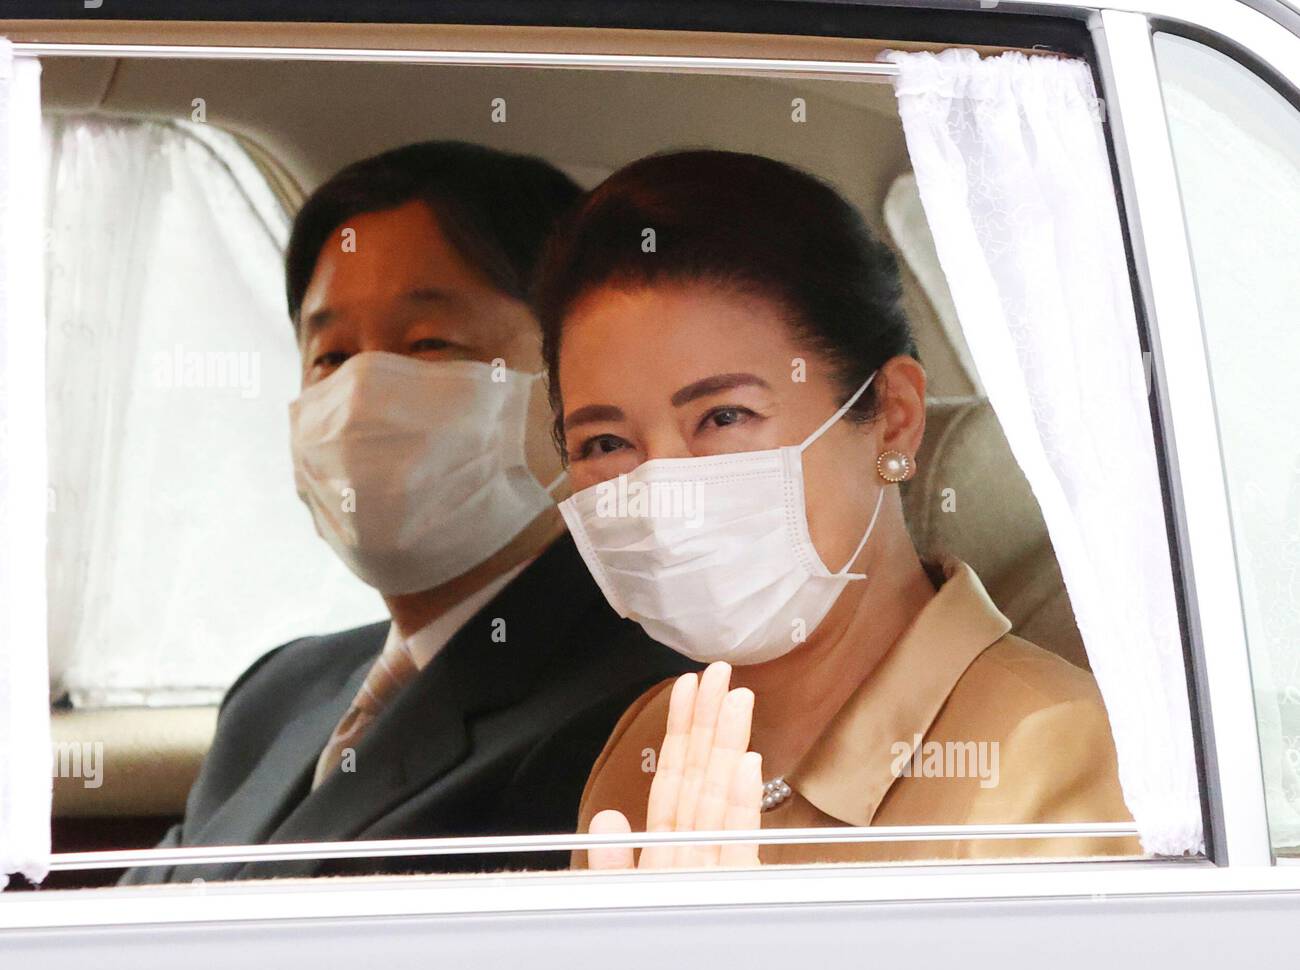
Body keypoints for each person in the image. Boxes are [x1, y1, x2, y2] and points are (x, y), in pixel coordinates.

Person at [534, 149, 1143, 869]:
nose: (664, 487)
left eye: (724, 416)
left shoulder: (1052, 749)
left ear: (891, 418)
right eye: (606, 440)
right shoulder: (654, 742)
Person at [120, 142, 692, 885]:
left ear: (578, 383)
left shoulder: (639, 709)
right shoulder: (279, 691)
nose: (362, 395)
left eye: (428, 343)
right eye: (329, 356)